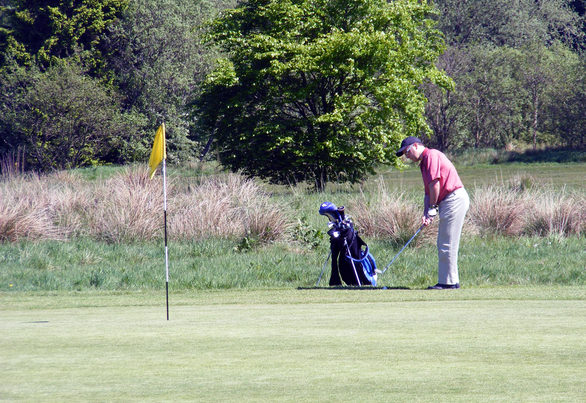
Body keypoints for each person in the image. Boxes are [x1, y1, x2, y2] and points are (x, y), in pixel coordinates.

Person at [395, 136, 470, 289]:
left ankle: (447, 283)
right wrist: (426, 213)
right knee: (445, 242)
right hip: (447, 201)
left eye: (407, 152)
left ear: (416, 145)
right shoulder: (423, 163)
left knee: (446, 242)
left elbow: (435, 184)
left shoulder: (431, 155)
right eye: (404, 154)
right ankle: (451, 281)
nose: (406, 156)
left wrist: (433, 208)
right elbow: (428, 192)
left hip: (453, 198)